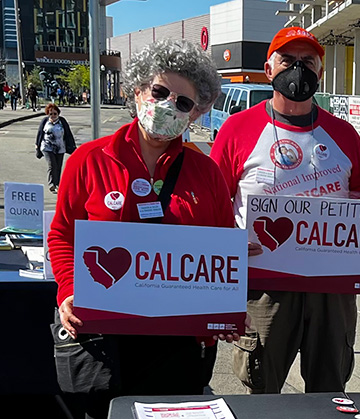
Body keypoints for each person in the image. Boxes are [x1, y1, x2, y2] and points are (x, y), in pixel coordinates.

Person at [210, 27, 360, 394]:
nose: (297, 70)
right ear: (268, 70)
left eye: (307, 62)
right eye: (288, 61)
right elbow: (214, 203)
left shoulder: (343, 134)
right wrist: (225, 254)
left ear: (319, 72)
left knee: (330, 388)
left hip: (332, 287)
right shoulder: (237, 129)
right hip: (264, 285)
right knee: (262, 389)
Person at [49, 39, 235, 419]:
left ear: (195, 114)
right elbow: (62, 234)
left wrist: (226, 308)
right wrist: (68, 291)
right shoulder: (89, 159)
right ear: (137, 91)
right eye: (160, 92)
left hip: (178, 342)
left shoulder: (207, 173)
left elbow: (221, 248)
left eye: (182, 103)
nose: (168, 106)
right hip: (104, 335)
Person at [35, 103, 76, 193]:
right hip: (47, 146)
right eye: (51, 114)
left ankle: (57, 184)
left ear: (58, 114)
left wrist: (72, 145)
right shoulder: (45, 121)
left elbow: (68, 133)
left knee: (58, 166)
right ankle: (51, 184)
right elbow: (40, 133)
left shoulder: (62, 121)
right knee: (52, 164)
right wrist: (37, 145)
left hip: (60, 147)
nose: (53, 116)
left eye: (55, 114)